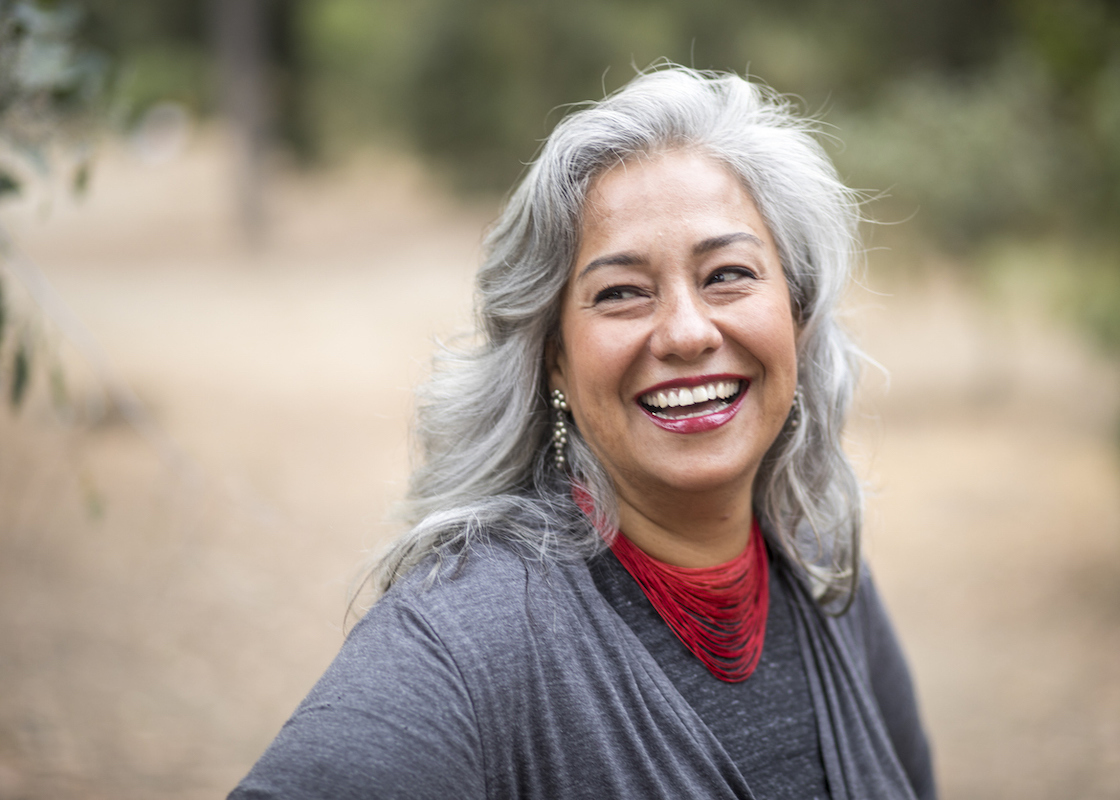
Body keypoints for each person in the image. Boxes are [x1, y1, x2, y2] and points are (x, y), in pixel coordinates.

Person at [230, 65, 936, 800]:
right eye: (621, 292)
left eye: (727, 274)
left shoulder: (821, 565)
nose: (688, 332)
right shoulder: (473, 634)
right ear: (554, 360)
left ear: (798, 315)